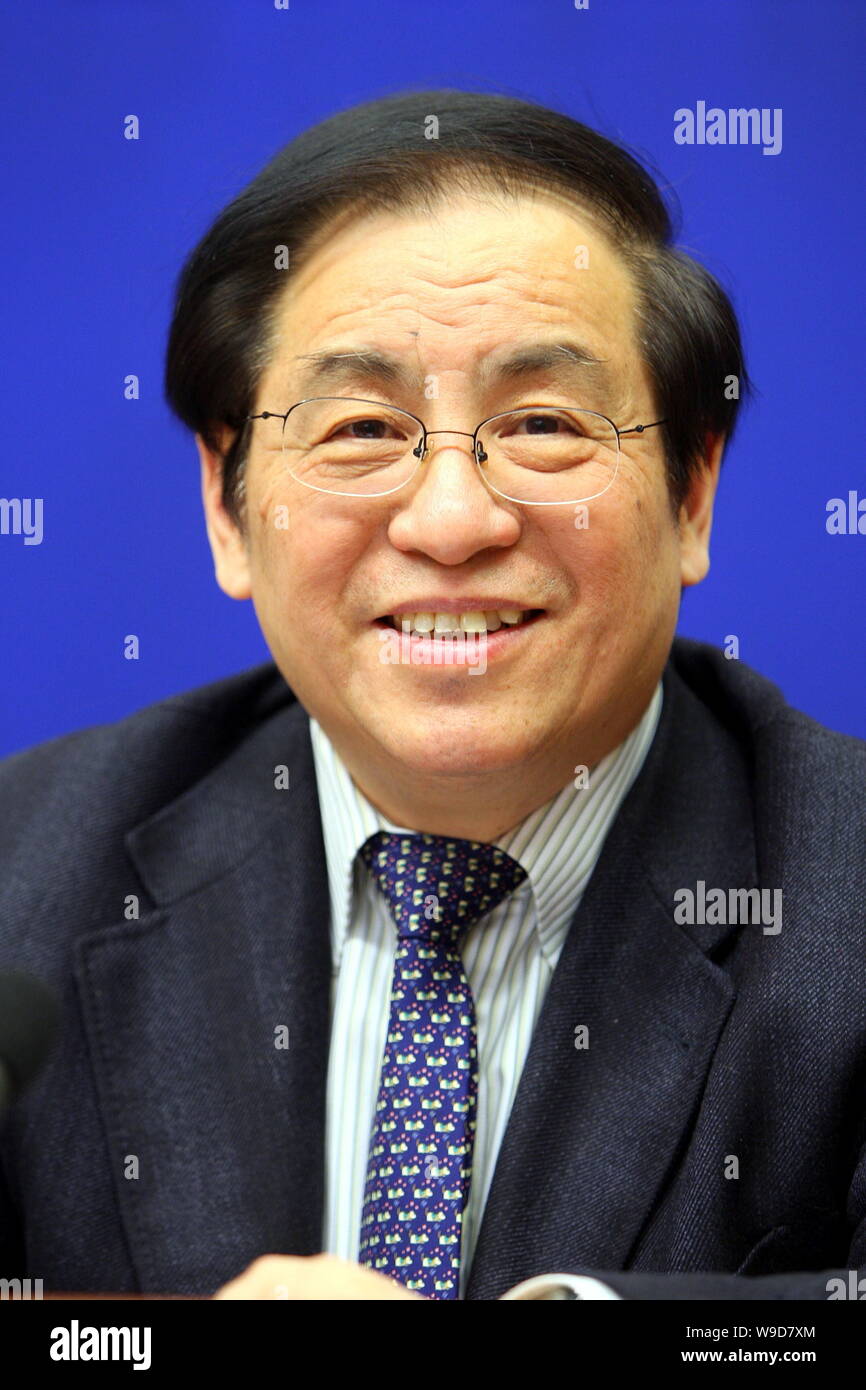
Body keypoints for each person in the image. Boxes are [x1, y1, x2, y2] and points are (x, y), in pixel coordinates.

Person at [1, 89, 864, 1302]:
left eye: (543, 423)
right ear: (226, 504)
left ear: (689, 494)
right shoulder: (24, 873)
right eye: (359, 427)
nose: (452, 519)